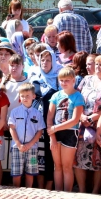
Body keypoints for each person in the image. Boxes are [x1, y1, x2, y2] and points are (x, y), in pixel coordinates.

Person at [75, 54, 101, 194]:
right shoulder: (86, 80)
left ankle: (96, 191)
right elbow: (76, 98)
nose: (97, 67)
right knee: (79, 158)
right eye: (96, 64)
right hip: (82, 124)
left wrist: (92, 118)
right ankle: (82, 190)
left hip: (100, 126)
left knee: (100, 161)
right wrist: (81, 116)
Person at [47, 67, 85, 192]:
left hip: (70, 132)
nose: (64, 83)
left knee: (67, 166)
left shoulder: (78, 96)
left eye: (67, 80)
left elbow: (75, 119)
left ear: (73, 80)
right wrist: (52, 136)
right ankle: (58, 192)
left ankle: (67, 194)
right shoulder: (56, 95)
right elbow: (49, 117)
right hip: (55, 133)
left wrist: (55, 128)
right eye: (61, 80)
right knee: (57, 166)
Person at [30, 47, 60, 190]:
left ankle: (49, 186)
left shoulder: (57, 80)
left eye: (48, 60)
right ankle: (39, 186)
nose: (45, 62)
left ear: (53, 61)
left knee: (49, 155)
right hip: (35, 123)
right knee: (37, 153)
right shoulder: (35, 78)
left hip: (51, 123)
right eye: (42, 59)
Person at [8, 83, 45, 188]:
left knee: (31, 172)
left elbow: (39, 131)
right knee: (16, 172)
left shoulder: (37, 113)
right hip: (17, 148)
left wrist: (29, 145)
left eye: (27, 96)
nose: (25, 98)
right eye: (22, 96)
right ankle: (16, 192)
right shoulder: (15, 112)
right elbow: (12, 128)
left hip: (32, 148)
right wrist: (19, 144)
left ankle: (29, 192)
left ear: (33, 96)